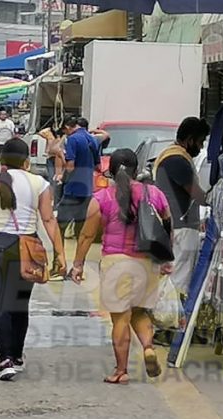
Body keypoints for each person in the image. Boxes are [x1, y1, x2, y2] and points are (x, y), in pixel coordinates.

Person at [69, 149, 172, 384]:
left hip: (116, 263)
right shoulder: (154, 193)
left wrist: (78, 265)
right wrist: (165, 260)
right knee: (139, 312)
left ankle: (122, 370)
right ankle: (147, 347)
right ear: (137, 169)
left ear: (112, 171)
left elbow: (86, 235)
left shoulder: (102, 197)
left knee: (120, 319)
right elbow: (167, 226)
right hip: (147, 262)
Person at [0, 138, 66, 381]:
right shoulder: (39, 183)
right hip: (27, 248)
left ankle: (5, 359)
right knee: (20, 305)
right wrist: (60, 253)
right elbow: (48, 220)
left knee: (0, 306)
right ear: (26, 161)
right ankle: (16, 355)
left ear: (2, 159)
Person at [154, 116, 209, 296]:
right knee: (179, 277)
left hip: (174, 225)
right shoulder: (178, 160)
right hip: (181, 228)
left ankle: (169, 314)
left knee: (173, 274)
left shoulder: (169, 155)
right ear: (190, 139)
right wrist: (213, 199)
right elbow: (198, 195)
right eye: (200, 142)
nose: (200, 147)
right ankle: (174, 315)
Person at [59, 116, 98, 240]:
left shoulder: (72, 139)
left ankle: (59, 257)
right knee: (80, 227)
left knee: (60, 227)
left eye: (64, 132)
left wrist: (61, 156)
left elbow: (70, 167)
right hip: (87, 190)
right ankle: (79, 258)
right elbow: (98, 165)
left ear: (67, 128)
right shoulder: (93, 139)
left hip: (73, 189)